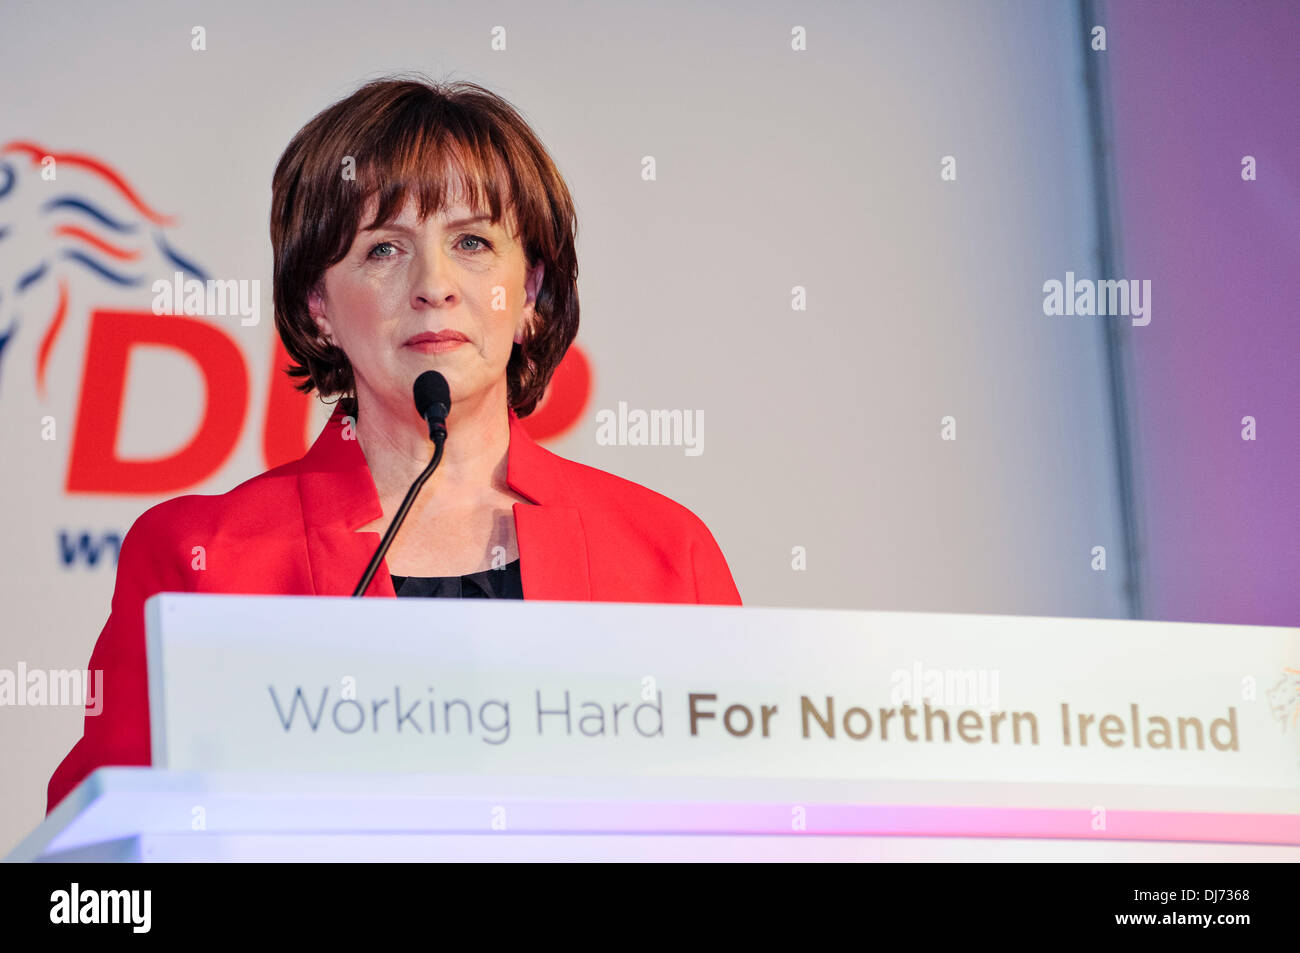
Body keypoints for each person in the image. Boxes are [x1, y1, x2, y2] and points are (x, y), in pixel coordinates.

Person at [45, 76, 740, 814]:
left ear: (529, 290)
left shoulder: (666, 553)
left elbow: (747, 827)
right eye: (383, 250)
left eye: (472, 242)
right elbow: (101, 861)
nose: (433, 284)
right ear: (318, 309)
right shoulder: (200, 559)